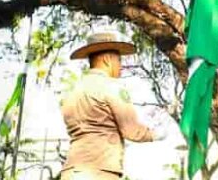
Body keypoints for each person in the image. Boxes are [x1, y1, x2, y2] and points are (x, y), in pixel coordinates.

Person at [60, 32, 165, 180]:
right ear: (107, 60)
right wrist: (157, 134)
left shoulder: (72, 91)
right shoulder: (111, 86)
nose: (120, 67)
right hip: (100, 171)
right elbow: (132, 131)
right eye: (119, 61)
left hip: (71, 171)